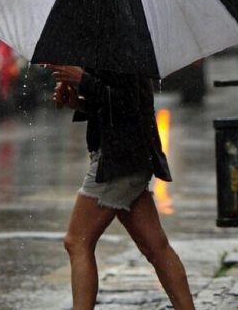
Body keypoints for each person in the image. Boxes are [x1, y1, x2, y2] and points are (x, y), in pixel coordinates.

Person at [46, 64, 196, 310]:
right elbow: (112, 106)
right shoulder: (111, 43)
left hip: (118, 161)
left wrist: (83, 80)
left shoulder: (123, 46)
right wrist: (78, 102)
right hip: (128, 158)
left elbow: (129, 103)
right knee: (156, 248)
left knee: (77, 242)